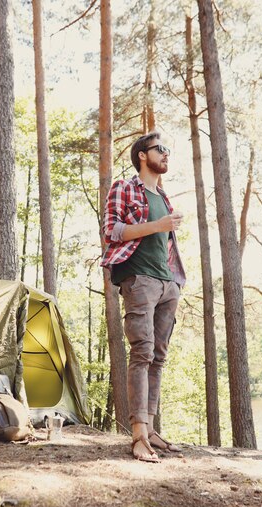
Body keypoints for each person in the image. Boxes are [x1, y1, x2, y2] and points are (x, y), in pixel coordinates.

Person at [100, 131, 186, 462]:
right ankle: (137, 435)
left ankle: (150, 429)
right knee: (142, 352)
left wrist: (176, 280)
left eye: (167, 149)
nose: (166, 155)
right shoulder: (124, 188)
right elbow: (112, 232)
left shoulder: (163, 197)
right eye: (160, 149)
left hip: (168, 283)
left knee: (159, 357)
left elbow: (164, 242)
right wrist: (157, 225)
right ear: (142, 156)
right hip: (139, 280)